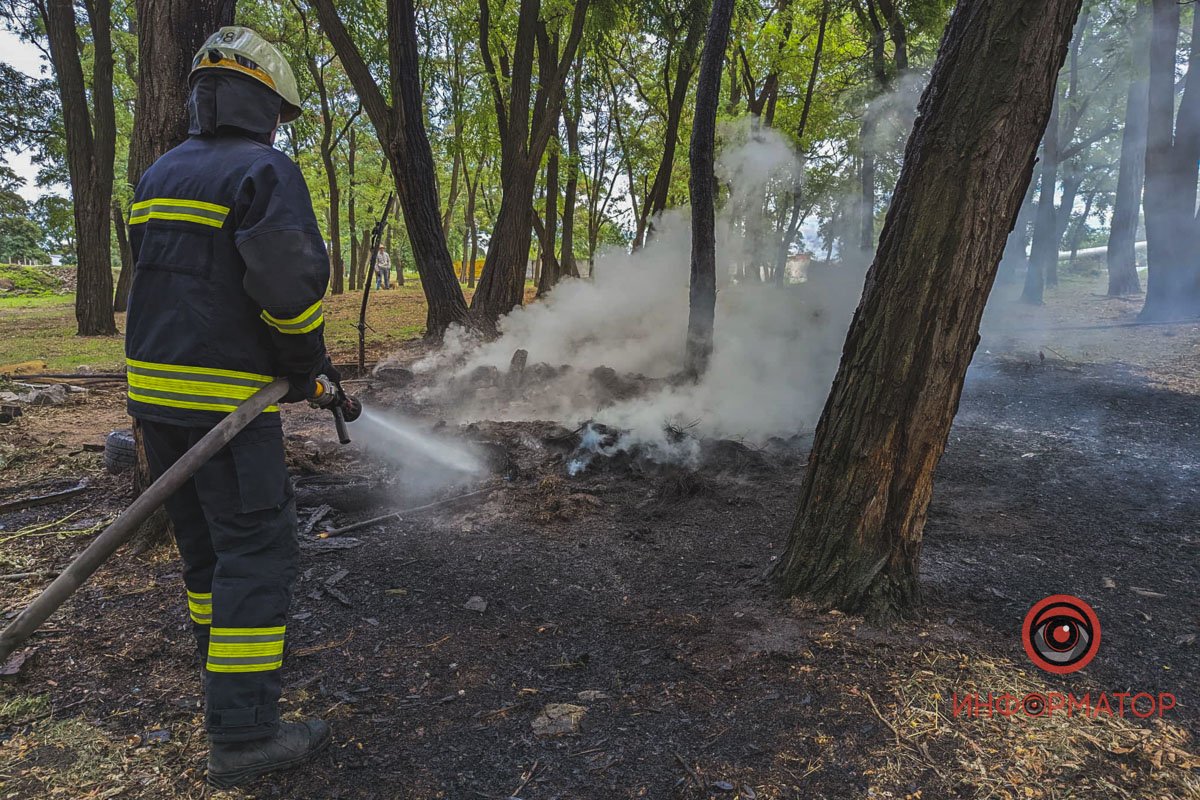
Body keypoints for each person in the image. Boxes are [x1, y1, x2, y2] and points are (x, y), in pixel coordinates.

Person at [124, 26, 336, 789]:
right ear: (261, 103)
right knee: (256, 555)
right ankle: (243, 735)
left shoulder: (159, 173)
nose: (280, 124)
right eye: (279, 109)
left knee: (206, 554)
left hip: (155, 400)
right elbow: (287, 289)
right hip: (226, 405)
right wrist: (303, 365)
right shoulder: (264, 170)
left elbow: (174, 283)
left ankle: (222, 686)